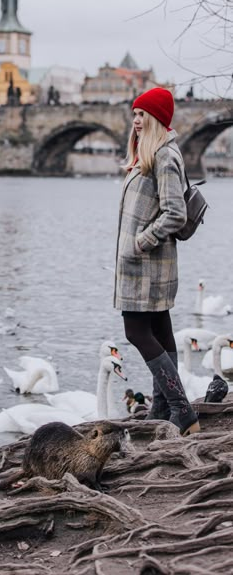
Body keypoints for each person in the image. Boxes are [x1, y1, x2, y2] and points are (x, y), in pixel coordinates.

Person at [114, 87, 200, 436]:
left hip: (147, 264)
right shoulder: (148, 154)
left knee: (136, 331)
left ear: (156, 120)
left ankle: (182, 410)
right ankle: (164, 411)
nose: (135, 121)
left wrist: (140, 241)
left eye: (142, 116)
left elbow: (175, 214)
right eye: (134, 114)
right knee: (161, 332)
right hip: (145, 265)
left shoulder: (164, 156)